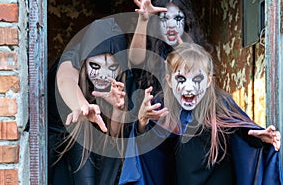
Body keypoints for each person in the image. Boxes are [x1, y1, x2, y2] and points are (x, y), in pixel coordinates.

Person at [119, 43, 282, 185]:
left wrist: (259, 138)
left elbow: (240, 132)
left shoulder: (221, 103)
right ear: (169, 80)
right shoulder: (162, 106)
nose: (189, 87)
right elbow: (149, 154)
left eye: (197, 79)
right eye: (181, 79)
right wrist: (142, 121)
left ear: (209, 80)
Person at [48, 17, 134, 185]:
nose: (103, 75)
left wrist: (118, 109)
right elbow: (65, 79)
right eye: (95, 66)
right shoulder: (72, 58)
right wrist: (82, 106)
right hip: (61, 150)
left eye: (111, 68)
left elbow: (114, 134)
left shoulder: (123, 78)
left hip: (100, 153)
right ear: (84, 61)